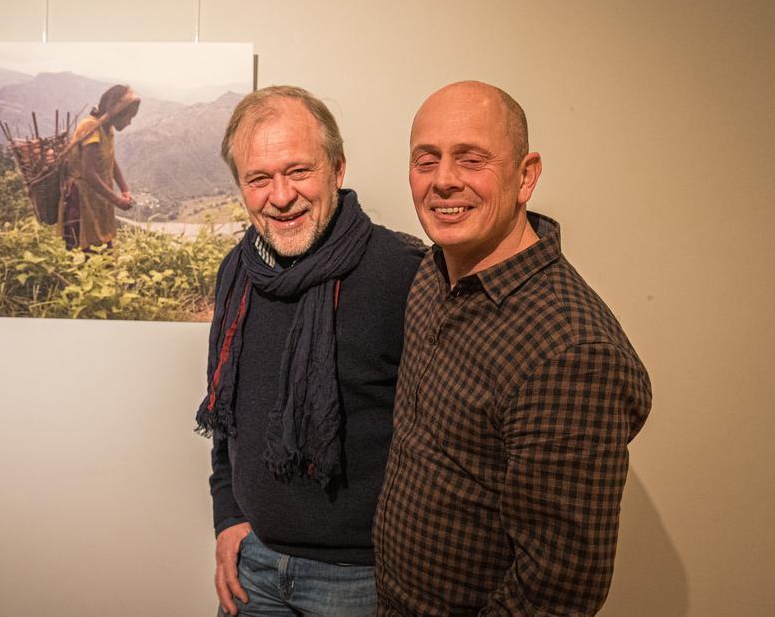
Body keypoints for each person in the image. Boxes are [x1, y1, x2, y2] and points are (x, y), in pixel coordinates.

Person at [374, 81, 652, 616]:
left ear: (526, 176)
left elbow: (557, 590)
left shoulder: (572, 351)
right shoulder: (434, 274)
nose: (444, 181)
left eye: (471, 159)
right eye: (425, 160)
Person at [195, 86, 424, 616]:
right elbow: (225, 411)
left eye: (299, 171)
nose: (280, 196)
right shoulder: (238, 272)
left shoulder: (403, 274)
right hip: (254, 568)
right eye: (259, 178)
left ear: (337, 169)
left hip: (362, 579)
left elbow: (442, 440)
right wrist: (228, 517)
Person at [59, 85, 139, 250]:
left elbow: (110, 158)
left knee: (102, 252)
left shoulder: (106, 128)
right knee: (82, 252)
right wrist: (117, 200)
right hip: (81, 200)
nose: (129, 122)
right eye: (128, 117)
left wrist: (124, 188)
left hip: (98, 198)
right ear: (118, 113)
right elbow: (88, 173)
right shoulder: (90, 127)